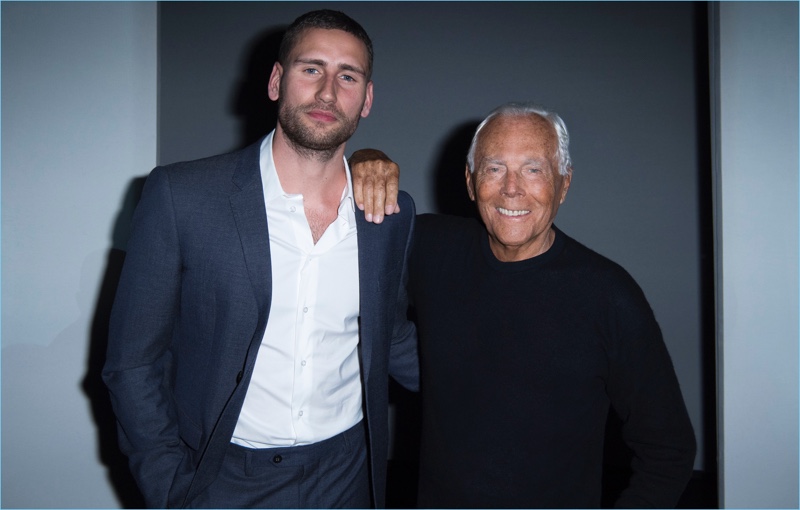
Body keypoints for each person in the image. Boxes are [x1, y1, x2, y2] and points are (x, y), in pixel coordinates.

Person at [102, 10, 418, 509]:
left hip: (348, 475)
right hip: (224, 480)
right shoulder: (182, 197)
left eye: (348, 76)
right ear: (276, 81)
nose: (329, 92)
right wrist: (170, 488)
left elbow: (393, 335)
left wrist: (479, 380)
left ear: (367, 100)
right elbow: (132, 363)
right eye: (310, 69)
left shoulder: (390, 214)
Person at [352, 102, 696, 508]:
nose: (511, 188)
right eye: (495, 168)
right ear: (469, 181)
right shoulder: (431, 247)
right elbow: (361, 232)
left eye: (533, 169)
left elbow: (668, 450)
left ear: (564, 184)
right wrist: (363, 158)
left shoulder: (608, 295)